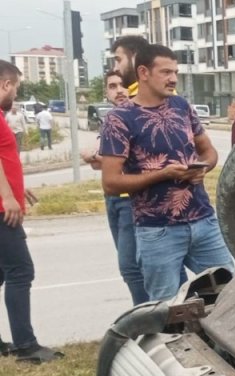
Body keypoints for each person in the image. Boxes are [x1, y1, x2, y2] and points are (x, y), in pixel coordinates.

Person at [98, 44, 235, 302]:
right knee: (166, 309)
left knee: (229, 296)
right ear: (143, 72)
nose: (173, 78)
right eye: (165, 72)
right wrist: (162, 174)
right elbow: (111, 182)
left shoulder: (181, 106)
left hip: (203, 221)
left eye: (175, 72)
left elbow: (209, 152)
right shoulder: (120, 119)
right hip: (157, 230)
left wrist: (202, 168)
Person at [0, 61, 62, 363]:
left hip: (4, 200)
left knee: (2, 273)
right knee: (20, 271)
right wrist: (7, 195)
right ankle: (26, 346)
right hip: (2, 210)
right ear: (5, 85)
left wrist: (15, 187)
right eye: (17, 87)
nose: (16, 93)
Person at [80, 70, 146, 305]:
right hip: (113, 198)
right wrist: (98, 157)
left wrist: (98, 156)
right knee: (130, 267)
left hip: (131, 199)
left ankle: (146, 320)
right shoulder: (111, 120)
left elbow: (104, 158)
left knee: (131, 266)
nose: (118, 90)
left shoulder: (136, 117)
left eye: (122, 85)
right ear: (106, 93)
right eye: (112, 86)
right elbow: (100, 165)